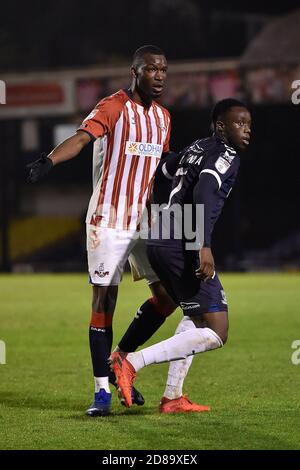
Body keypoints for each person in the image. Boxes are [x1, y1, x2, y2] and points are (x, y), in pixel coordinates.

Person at [27, 45, 177, 417]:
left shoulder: (163, 118)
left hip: (143, 220)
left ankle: (121, 360)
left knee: (167, 297)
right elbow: (81, 139)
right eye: (151, 69)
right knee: (104, 304)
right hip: (108, 219)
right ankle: (101, 392)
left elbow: (158, 168)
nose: (158, 75)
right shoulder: (113, 106)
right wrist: (48, 161)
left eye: (163, 70)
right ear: (134, 71)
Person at [110, 98, 252, 411]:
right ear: (220, 126)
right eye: (239, 123)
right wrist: (203, 244)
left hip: (161, 235)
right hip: (183, 240)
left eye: (248, 124)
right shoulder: (225, 154)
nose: (246, 130)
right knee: (217, 330)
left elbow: (162, 170)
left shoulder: (195, 148)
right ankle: (131, 362)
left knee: (194, 314)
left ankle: (173, 397)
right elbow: (203, 191)